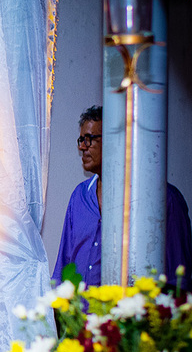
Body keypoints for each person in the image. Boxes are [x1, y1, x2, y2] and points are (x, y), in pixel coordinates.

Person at [53, 105, 192, 284]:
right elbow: (64, 266)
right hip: (80, 303)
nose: (82, 147)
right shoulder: (79, 197)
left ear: (115, 140)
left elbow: (178, 278)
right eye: (81, 140)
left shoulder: (164, 199)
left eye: (89, 139)